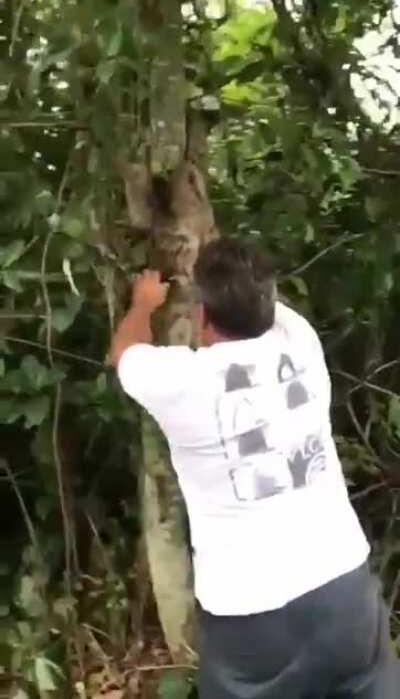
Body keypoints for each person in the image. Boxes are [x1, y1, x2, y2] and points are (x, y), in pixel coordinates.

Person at [110, 237, 398, 699]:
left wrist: (143, 304)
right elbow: (262, 305)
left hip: (250, 618)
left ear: (202, 317)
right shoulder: (302, 342)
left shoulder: (182, 382)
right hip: (344, 589)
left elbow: (123, 353)